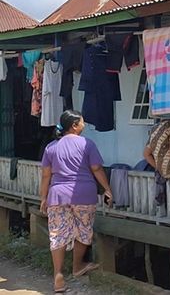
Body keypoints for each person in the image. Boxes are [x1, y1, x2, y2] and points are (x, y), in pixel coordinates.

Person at [39, 109, 113, 293]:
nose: (84, 125)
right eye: (82, 122)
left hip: (57, 195)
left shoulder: (51, 147)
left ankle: (58, 276)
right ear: (74, 126)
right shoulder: (87, 144)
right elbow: (96, 169)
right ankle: (77, 266)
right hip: (84, 194)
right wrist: (107, 189)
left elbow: (46, 176)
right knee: (84, 230)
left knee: (58, 234)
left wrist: (43, 198)